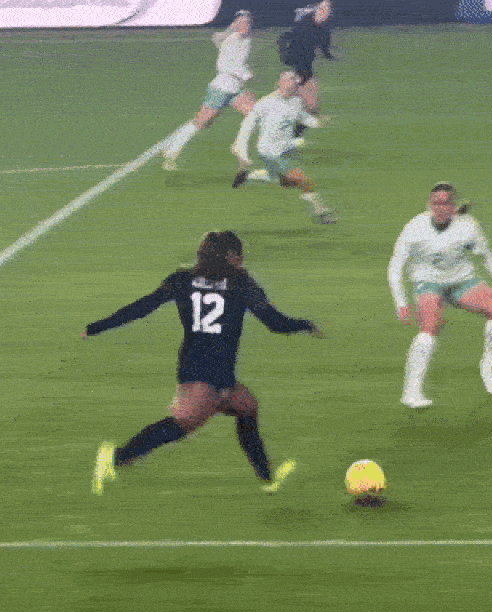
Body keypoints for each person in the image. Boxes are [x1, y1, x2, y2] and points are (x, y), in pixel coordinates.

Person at [83, 230, 323, 496]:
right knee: (185, 421)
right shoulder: (241, 283)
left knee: (246, 407)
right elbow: (276, 324)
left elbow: (142, 307)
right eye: (238, 256)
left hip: (199, 367)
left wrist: (96, 328)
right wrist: (305, 324)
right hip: (208, 374)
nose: (242, 260)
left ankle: (268, 479)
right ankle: (115, 457)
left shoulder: (182, 280)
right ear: (231, 259)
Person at [387, 183, 492, 408]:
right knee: (430, 327)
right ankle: (411, 392)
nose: (440, 208)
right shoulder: (415, 227)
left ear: (454, 206)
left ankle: (487, 365)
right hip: (429, 282)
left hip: (463, 281)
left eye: (445, 203)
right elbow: (395, 266)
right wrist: (401, 303)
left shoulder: (468, 227)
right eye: (436, 203)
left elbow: (488, 259)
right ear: (429, 205)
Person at [230, 71, 335, 224]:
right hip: (270, 152)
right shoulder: (265, 103)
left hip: (287, 150)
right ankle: (322, 212)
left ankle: (249, 177)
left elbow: (302, 117)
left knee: (286, 182)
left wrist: (318, 122)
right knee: (302, 179)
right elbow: (247, 126)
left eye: (294, 83)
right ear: (279, 83)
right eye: (288, 82)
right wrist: (242, 152)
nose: (291, 85)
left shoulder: (296, 102)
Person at [161, 10, 257, 172]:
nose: (246, 26)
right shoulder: (231, 41)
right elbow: (226, 66)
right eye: (242, 23)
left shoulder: (246, 41)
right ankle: (172, 150)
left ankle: (238, 145)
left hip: (235, 88)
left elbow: (235, 59)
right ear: (236, 25)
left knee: (254, 113)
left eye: (248, 23)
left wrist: (244, 75)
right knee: (203, 121)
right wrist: (246, 74)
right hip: (221, 88)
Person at [277, 1, 334, 138]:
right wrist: (288, 59)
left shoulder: (322, 28)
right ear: (317, 9)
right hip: (298, 67)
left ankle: (293, 135)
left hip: (305, 68)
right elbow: (286, 39)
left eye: (329, 8)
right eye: (324, 8)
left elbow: (323, 44)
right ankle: (288, 135)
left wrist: (328, 55)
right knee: (305, 104)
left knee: (310, 105)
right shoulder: (306, 24)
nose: (327, 11)